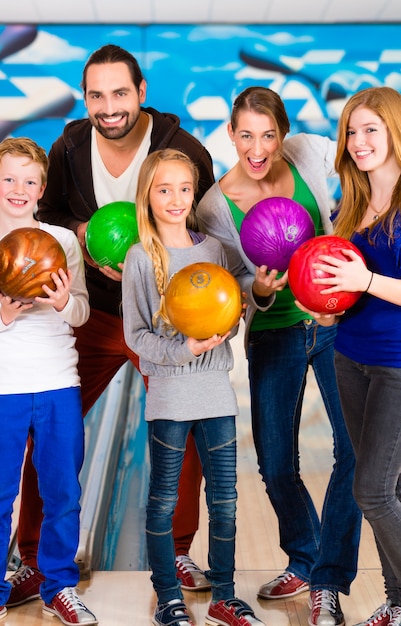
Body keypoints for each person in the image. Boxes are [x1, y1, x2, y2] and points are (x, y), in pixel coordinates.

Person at [8, 44, 215, 606]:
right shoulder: (71, 146)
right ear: (86, 97)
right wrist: (82, 236)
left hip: (164, 313)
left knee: (184, 427)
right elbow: (47, 216)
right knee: (46, 426)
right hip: (96, 311)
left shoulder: (182, 150)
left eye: (119, 93)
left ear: (141, 93)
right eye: (96, 95)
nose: (108, 106)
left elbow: (206, 227)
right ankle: (30, 558)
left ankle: (176, 549)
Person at [196, 86, 362, 626]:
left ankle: (327, 575)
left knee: (353, 451)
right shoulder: (215, 207)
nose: (258, 146)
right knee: (275, 464)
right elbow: (239, 288)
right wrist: (262, 291)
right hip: (275, 332)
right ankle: (307, 555)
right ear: (231, 134)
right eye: (246, 135)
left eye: (268, 134)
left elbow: (357, 175)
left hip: (337, 325)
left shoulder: (310, 153)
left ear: (284, 134)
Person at [122, 147, 267, 626]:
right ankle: (168, 595)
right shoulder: (141, 258)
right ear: (148, 195)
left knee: (225, 500)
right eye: (164, 189)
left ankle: (224, 595)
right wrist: (185, 349)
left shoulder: (214, 251)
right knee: (164, 501)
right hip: (168, 397)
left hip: (215, 395)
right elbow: (137, 337)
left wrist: (232, 325)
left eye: (185, 189)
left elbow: (227, 317)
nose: (176, 198)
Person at [295, 86, 401, 626]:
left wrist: (365, 279)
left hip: (398, 365)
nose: (359, 142)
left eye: (370, 130)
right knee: (388, 490)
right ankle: (397, 602)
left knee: (374, 492)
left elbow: (367, 280)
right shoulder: (350, 204)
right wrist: (324, 305)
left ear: (394, 132)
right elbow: (342, 288)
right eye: (351, 132)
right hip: (349, 356)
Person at [0, 137, 97, 626]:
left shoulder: (64, 243)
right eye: (9, 179)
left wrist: (60, 303)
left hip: (56, 381)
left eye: (29, 181)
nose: (18, 189)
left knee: (63, 493)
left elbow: (82, 312)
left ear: (41, 188)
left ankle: (60, 587)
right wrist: (3, 315)